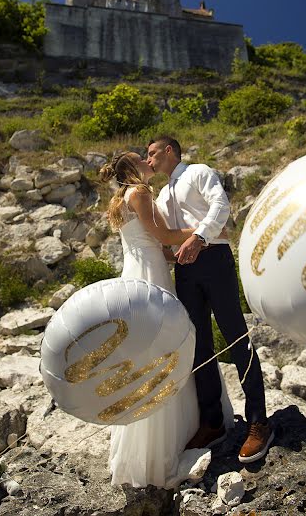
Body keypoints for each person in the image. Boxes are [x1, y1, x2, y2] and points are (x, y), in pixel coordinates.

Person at [99, 151, 233, 488]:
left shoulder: (121, 197)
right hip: (150, 276)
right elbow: (163, 236)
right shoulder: (140, 192)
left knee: (147, 351)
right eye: (140, 159)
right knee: (166, 346)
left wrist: (182, 249)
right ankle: (170, 441)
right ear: (133, 168)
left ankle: (151, 443)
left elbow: (156, 246)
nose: (148, 161)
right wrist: (208, 231)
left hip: (138, 271)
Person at [147, 136, 274, 463]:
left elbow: (221, 205)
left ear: (170, 150)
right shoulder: (162, 194)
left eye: (152, 154)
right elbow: (162, 234)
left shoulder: (199, 172)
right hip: (185, 270)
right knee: (197, 343)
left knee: (236, 335)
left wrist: (199, 237)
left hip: (214, 257)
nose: (149, 161)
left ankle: (259, 421)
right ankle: (213, 421)